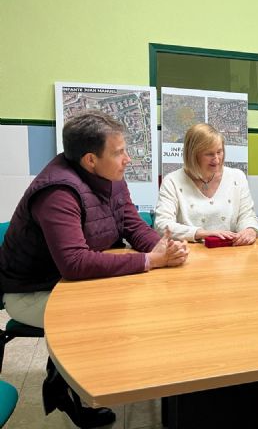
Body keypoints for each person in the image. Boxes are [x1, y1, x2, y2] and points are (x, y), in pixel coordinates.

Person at [0, 110, 189, 428]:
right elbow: (75, 263)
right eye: (119, 152)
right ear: (90, 160)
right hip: (31, 290)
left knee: (138, 296)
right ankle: (70, 389)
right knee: (103, 314)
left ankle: (69, 378)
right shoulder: (57, 192)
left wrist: (160, 247)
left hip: (68, 281)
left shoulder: (111, 177)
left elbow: (132, 224)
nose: (127, 159)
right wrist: (148, 261)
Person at [154, 123, 258, 245]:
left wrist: (250, 230)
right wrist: (202, 233)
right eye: (209, 154)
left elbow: (247, 215)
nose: (217, 159)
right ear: (193, 155)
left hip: (230, 253)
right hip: (188, 254)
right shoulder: (172, 181)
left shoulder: (237, 177)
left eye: (219, 152)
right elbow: (162, 225)